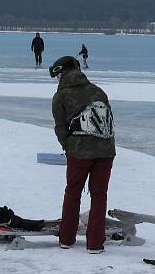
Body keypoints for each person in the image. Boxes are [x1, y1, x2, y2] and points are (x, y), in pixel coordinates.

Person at [50, 56, 116, 254]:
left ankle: (67, 238)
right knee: (99, 195)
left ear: (61, 73)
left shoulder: (60, 96)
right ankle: (95, 243)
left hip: (79, 151)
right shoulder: (98, 91)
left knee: (73, 193)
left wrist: (68, 147)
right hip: (106, 151)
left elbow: (60, 128)